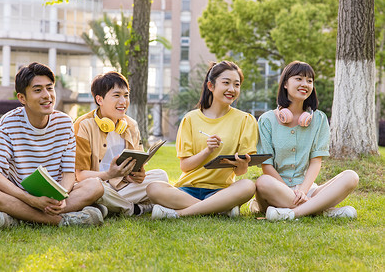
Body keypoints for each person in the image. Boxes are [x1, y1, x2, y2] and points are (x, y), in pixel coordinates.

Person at [0, 62, 105, 229]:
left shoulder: (64, 123)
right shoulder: (7, 124)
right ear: (22, 98)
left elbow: (69, 173)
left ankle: (17, 218)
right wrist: (31, 200)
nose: (47, 95)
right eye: (38, 90)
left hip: (53, 197)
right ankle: (61, 221)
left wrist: (62, 197)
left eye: (49, 88)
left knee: (95, 185)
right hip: (18, 196)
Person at [146, 61, 258, 219]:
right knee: (153, 188)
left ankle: (179, 213)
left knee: (248, 186)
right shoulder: (190, 119)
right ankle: (219, 209)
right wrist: (207, 151)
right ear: (211, 86)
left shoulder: (246, 120)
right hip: (188, 189)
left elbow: (240, 171)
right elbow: (185, 166)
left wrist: (242, 164)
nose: (232, 89)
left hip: (222, 190)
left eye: (236, 85)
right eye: (226, 83)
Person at [255, 61, 359, 221]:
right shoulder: (267, 120)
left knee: (351, 176)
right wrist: (289, 192)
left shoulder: (319, 119)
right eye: (299, 79)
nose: (305, 84)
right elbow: (266, 166)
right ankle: (322, 210)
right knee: (262, 182)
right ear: (285, 84)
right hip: (276, 189)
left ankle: (292, 214)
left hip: (307, 190)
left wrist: (302, 191)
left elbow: (315, 162)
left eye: (309, 81)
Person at [74, 71, 168, 216]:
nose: (123, 102)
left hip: (123, 187)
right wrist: (108, 174)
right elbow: (80, 175)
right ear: (100, 100)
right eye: (117, 95)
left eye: (126, 95)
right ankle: (135, 209)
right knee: (95, 188)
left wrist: (139, 175)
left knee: (160, 176)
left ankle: (108, 207)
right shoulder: (83, 125)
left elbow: (139, 168)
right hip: (99, 186)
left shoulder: (131, 124)